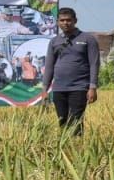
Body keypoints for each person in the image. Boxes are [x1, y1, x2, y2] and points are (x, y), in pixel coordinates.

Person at [42, 7, 100, 135]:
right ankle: (65, 150)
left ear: (75, 21)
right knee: (62, 122)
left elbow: (94, 64)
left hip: (79, 88)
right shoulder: (54, 41)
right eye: (62, 20)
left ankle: (77, 149)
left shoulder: (88, 39)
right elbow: (49, 66)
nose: (65, 23)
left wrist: (92, 87)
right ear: (57, 22)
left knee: (75, 121)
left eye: (68, 20)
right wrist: (45, 89)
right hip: (59, 88)